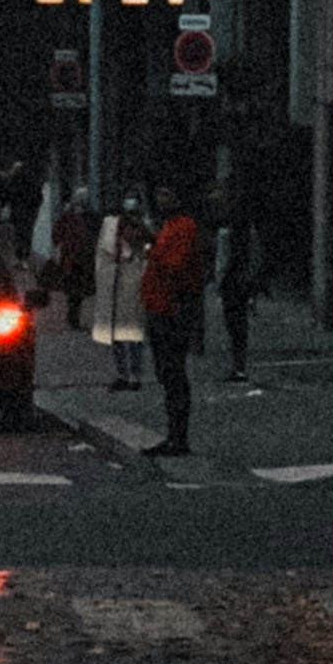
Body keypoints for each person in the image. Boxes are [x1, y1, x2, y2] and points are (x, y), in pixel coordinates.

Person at [140, 182, 208, 458]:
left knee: (173, 373)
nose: (161, 199)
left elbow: (175, 266)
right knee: (167, 374)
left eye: (166, 193)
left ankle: (178, 437)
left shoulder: (183, 227)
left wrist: (153, 252)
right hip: (161, 306)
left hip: (171, 309)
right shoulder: (171, 226)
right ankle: (174, 436)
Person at [95, 196, 150, 390]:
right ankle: (123, 373)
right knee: (117, 332)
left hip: (132, 283)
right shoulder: (111, 229)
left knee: (132, 331)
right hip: (116, 283)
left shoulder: (142, 229)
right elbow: (105, 254)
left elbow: (145, 255)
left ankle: (134, 375)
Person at [214, 185, 260, 384]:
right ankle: (240, 366)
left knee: (233, 325)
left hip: (231, 282)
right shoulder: (249, 229)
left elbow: (222, 262)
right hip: (244, 280)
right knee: (240, 326)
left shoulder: (226, 231)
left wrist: (218, 282)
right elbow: (256, 256)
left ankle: (238, 367)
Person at [51, 187, 97, 329]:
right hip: (78, 257)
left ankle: (73, 317)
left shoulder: (73, 215)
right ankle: (73, 318)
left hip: (78, 257)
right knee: (75, 289)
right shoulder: (79, 215)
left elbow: (57, 234)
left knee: (75, 289)